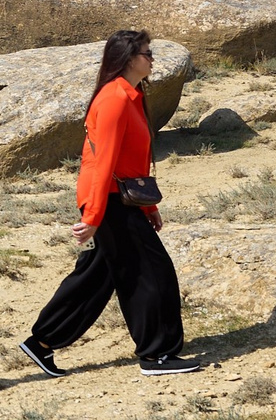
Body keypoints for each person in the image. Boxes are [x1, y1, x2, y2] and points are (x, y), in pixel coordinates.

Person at [19, 31, 202, 378]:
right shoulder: (114, 98)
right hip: (109, 200)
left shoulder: (130, 95)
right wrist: (92, 217)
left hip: (121, 198)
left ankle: (41, 342)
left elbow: (130, 161)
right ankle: (157, 354)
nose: (152, 59)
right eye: (147, 53)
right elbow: (101, 163)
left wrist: (148, 206)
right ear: (129, 58)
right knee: (151, 274)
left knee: (98, 276)